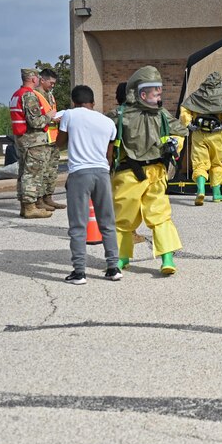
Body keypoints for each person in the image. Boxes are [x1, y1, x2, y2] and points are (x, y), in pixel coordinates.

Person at [108, 66, 188, 275]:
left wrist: (176, 140)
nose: (160, 94)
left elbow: (181, 129)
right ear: (142, 94)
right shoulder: (120, 114)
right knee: (123, 217)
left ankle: (167, 259)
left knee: (160, 215)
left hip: (155, 172)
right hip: (128, 174)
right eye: (156, 91)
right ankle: (121, 257)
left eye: (160, 90)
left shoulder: (160, 114)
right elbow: (102, 131)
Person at [56, 85, 121, 284]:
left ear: (74, 102)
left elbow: (60, 143)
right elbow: (110, 155)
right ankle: (113, 268)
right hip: (102, 173)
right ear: (92, 103)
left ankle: (79, 272)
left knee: (78, 225)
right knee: (107, 223)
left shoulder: (69, 115)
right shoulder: (108, 121)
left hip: (79, 174)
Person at [180, 72, 222, 205]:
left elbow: (184, 109)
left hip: (199, 133)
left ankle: (201, 190)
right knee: (216, 163)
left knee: (199, 163)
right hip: (216, 134)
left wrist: (189, 123)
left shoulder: (197, 94)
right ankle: (216, 194)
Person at [9, 68, 56, 219]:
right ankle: (30, 207)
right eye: (37, 77)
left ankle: (25, 206)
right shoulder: (29, 95)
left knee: (23, 173)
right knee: (32, 174)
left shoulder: (16, 94)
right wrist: (49, 116)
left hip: (22, 139)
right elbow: (36, 121)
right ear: (34, 79)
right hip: (32, 141)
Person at [114, 82, 148, 246]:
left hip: (119, 165)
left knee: (122, 202)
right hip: (136, 166)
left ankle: (127, 233)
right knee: (132, 204)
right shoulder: (142, 116)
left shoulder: (112, 115)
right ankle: (128, 235)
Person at [35, 68, 66, 211]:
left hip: (53, 140)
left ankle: (48, 197)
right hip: (41, 140)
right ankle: (39, 199)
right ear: (42, 80)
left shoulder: (51, 96)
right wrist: (50, 117)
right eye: (51, 83)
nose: (52, 85)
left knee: (52, 171)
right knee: (41, 171)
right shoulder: (34, 95)